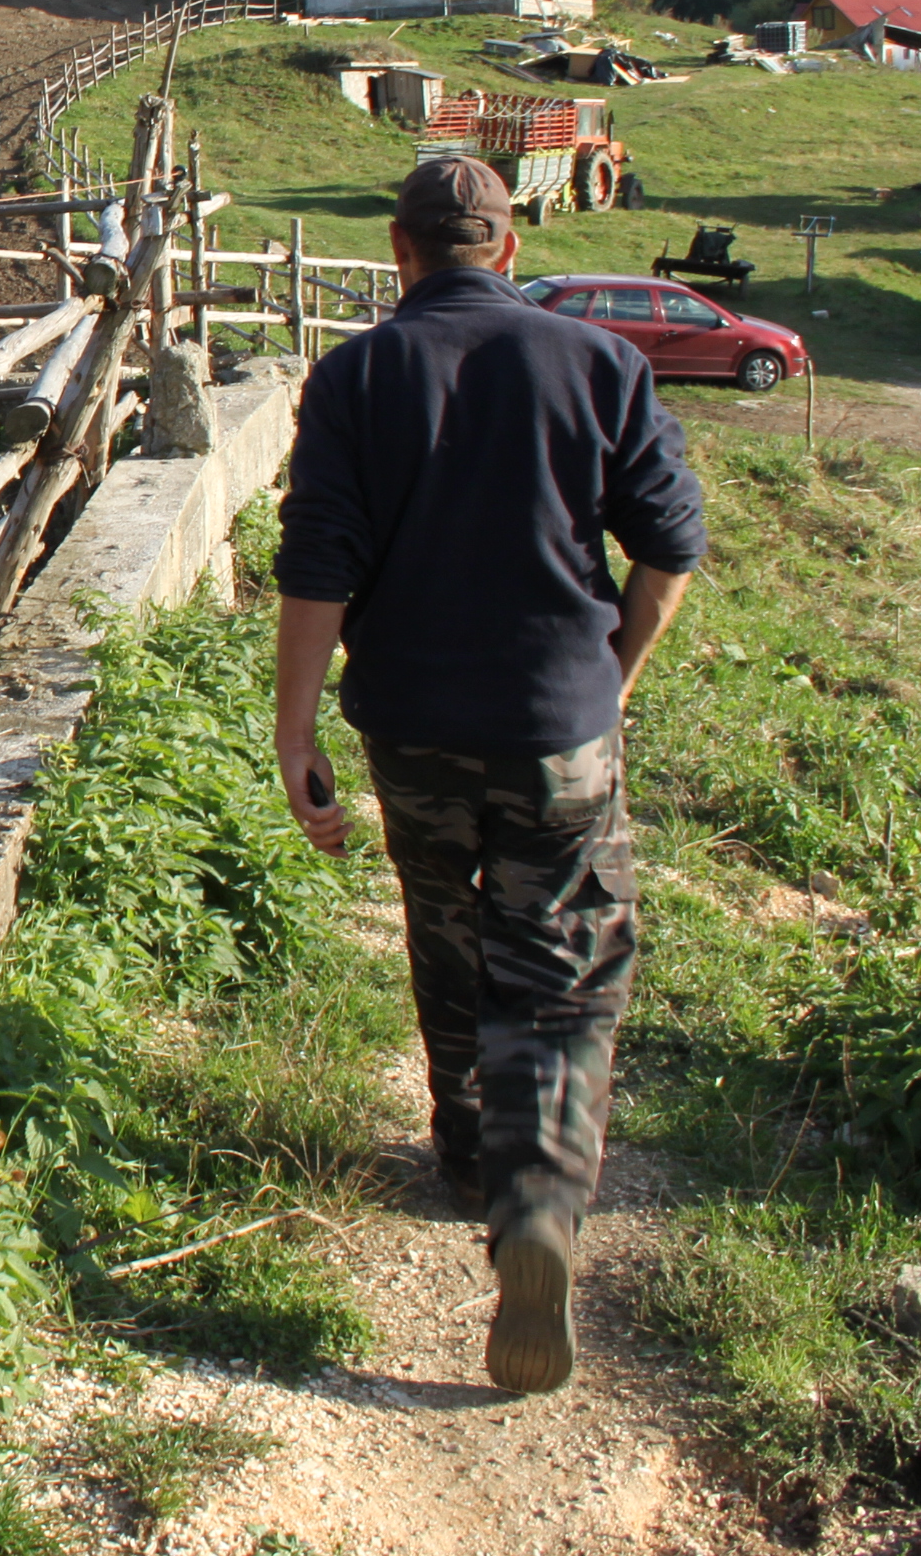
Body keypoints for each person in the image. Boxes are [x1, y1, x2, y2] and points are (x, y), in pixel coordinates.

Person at [271, 155, 703, 1396]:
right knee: (562, 965)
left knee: (446, 925)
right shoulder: (599, 363)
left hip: (408, 730)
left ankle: (465, 1149)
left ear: (401, 254)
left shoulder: (353, 376)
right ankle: (538, 1206)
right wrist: (611, 680)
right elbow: (669, 550)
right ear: (508, 251)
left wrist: (297, 741)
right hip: (557, 723)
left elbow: (318, 569)